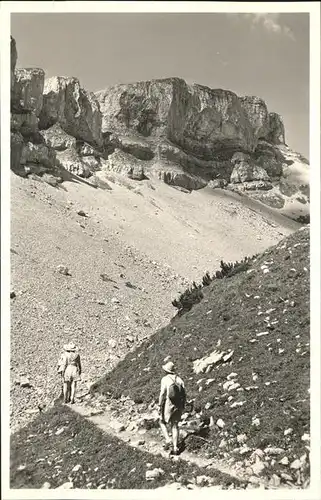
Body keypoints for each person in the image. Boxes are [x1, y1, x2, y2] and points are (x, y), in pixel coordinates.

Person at [158, 361, 186, 456]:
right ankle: (175, 447)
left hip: (168, 404)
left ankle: (168, 439)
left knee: (161, 421)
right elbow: (184, 394)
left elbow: (162, 394)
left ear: (166, 371)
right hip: (178, 405)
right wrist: (183, 406)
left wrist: (159, 405)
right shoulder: (180, 379)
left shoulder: (165, 379)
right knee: (175, 425)